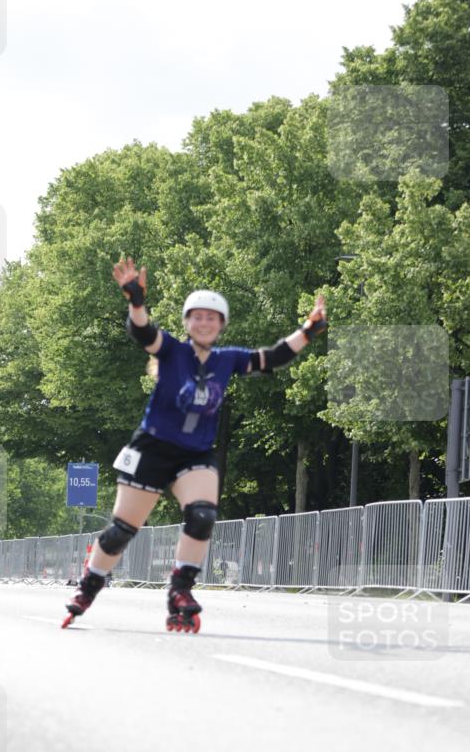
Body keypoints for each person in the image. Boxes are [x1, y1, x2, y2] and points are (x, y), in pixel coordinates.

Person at [62, 257, 326, 632]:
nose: (204, 323)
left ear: (221, 325)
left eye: (212, 318)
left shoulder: (228, 359)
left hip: (195, 453)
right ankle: (89, 586)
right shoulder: (171, 351)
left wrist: (309, 330)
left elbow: (274, 357)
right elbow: (142, 331)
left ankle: (180, 590)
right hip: (152, 448)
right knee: (121, 530)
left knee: (202, 516)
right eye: (197, 317)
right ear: (187, 323)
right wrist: (136, 300)